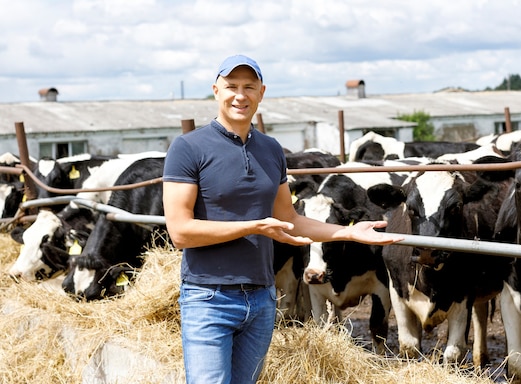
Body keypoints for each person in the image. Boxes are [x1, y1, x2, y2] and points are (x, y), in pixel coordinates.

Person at [161, 54, 404, 384]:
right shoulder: (188, 148)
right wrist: (253, 226)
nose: (240, 95)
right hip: (209, 298)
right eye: (231, 86)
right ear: (215, 90)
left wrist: (348, 232)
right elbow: (180, 232)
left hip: (261, 298)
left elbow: (288, 219)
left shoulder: (272, 150)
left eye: (249, 87)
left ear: (261, 92)